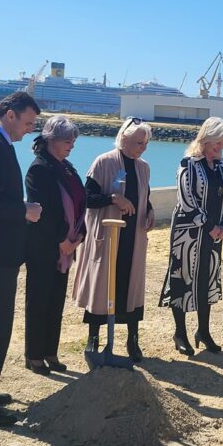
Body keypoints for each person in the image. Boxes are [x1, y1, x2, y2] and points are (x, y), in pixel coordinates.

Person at [73, 117, 155, 362]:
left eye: (146, 143)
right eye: (139, 142)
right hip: (108, 235)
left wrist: (149, 211)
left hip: (133, 237)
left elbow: (145, 196)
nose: (143, 147)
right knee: (103, 287)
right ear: (124, 138)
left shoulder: (144, 167)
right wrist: (113, 198)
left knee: (131, 288)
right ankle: (94, 338)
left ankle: (132, 339)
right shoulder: (104, 162)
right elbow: (87, 199)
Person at [159, 117, 223, 354]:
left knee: (207, 278)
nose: (220, 148)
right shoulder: (188, 164)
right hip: (188, 233)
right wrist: (208, 225)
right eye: (218, 143)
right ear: (206, 138)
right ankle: (179, 333)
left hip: (213, 236)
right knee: (182, 277)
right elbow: (187, 200)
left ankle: (203, 330)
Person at [0, 91, 42, 427]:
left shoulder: (1, 143)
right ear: (10, 115)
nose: (29, 130)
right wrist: (24, 210)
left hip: (2, 253)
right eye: (27, 123)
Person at [25, 116, 86, 375]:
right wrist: (63, 240)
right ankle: (34, 355)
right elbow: (43, 213)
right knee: (39, 301)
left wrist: (77, 237)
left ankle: (50, 351)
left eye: (73, 141)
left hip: (67, 247)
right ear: (51, 140)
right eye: (66, 140)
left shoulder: (68, 168)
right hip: (45, 247)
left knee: (56, 302)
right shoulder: (39, 169)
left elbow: (80, 202)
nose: (71, 145)